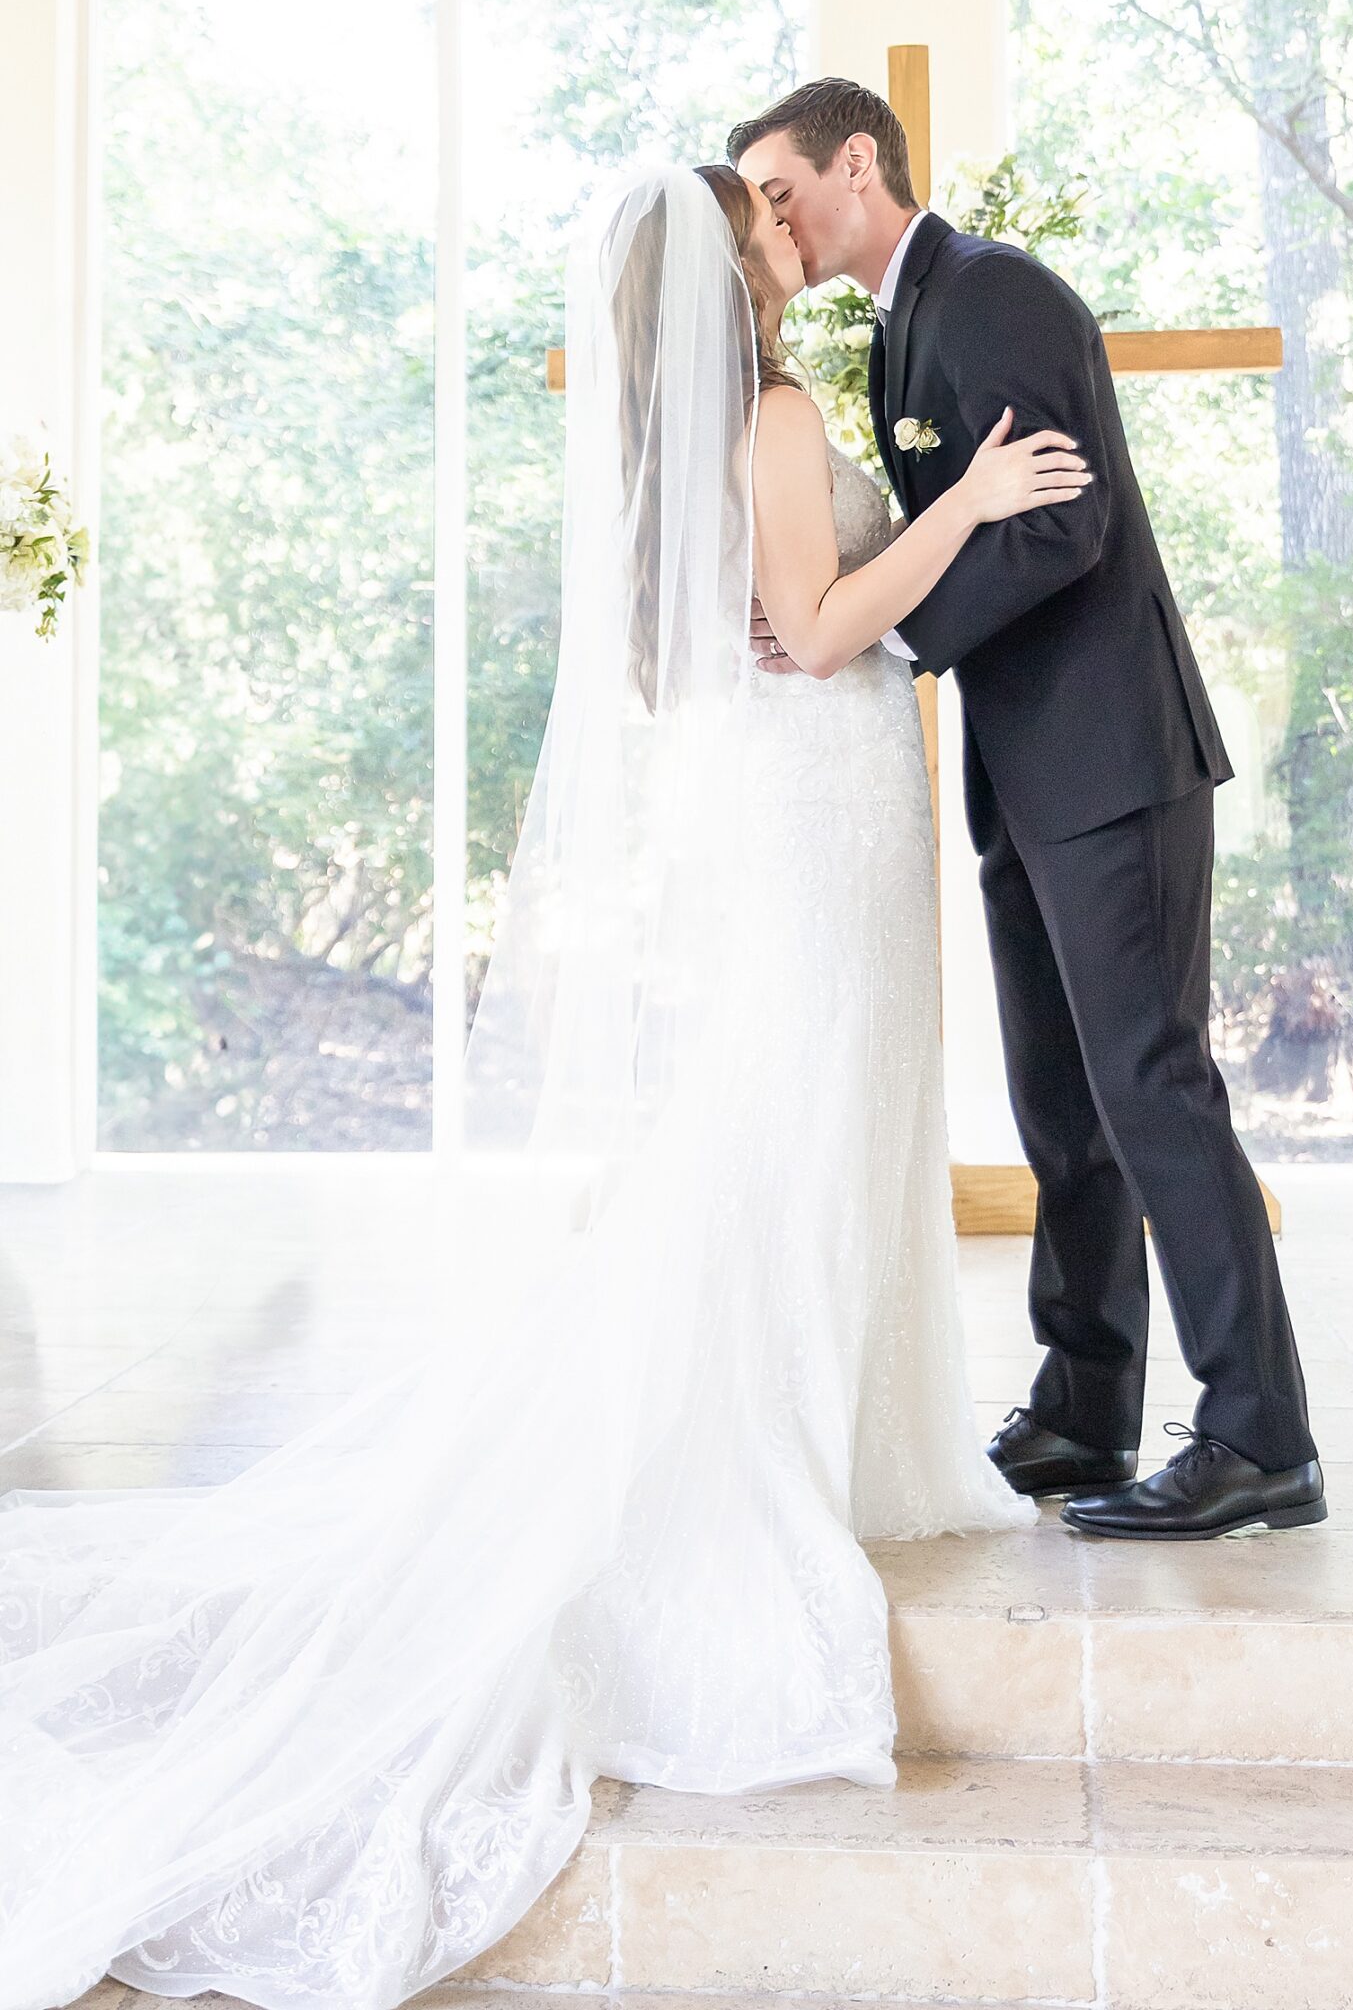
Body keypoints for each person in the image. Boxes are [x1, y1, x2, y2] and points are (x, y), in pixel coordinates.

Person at [0, 162, 1083, 2010]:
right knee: (798, 1132)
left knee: (793, 1128)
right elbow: (819, 633)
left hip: (776, 808)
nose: (776, 232)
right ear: (727, 266)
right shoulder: (770, 409)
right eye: (753, 221)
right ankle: (769, 1451)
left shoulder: (674, 440)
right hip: (815, 808)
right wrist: (971, 502)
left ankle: (836, 1426)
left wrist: (864, 586)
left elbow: (728, 647)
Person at [730, 81, 1325, 1543]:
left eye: (780, 188)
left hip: (1110, 754)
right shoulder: (895, 328)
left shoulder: (996, 296)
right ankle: (1083, 1403)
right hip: (1025, 758)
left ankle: (1260, 1435)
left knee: (1150, 1083)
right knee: (1063, 1096)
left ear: (854, 161)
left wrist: (885, 637)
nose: (773, 220)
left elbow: (1064, 524)